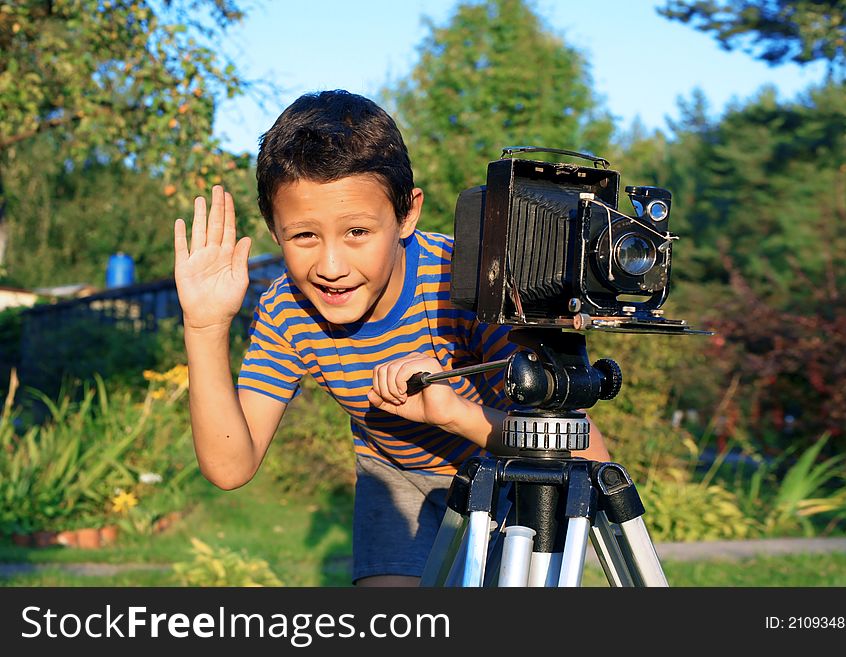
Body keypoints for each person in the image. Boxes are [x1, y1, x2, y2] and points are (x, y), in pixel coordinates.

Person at [173, 89, 610, 587]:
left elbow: (589, 453)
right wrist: (205, 327)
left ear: (407, 214)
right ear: (275, 231)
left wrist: (450, 412)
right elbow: (231, 466)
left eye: (357, 232)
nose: (331, 268)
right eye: (304, 237)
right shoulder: (286, 310)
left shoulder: (467, 284)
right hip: (396, 477)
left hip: (510, 471)